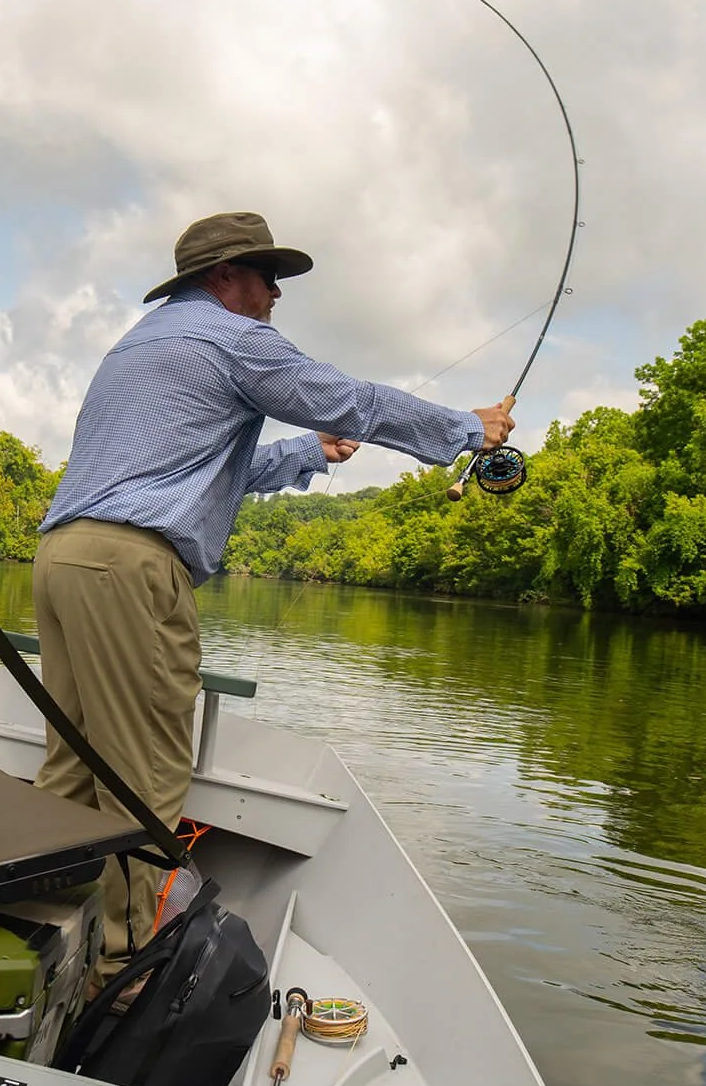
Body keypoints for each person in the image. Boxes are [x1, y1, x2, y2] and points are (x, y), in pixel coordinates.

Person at [35, 212, 516, 962]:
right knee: (144, 773)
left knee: (73, 762)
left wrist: (307, 454)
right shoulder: (231, 338)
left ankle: (46, 929)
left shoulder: (141, 345)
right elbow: (351, 398)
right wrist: (464, 428)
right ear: (224, 277)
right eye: (268, 278)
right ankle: (117, 966)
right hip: (130, 568)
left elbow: (202, 472)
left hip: (63, 559)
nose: (276, 297)